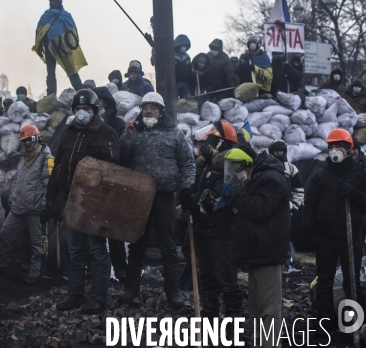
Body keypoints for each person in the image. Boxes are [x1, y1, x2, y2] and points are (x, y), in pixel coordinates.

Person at [46, 89, 120, 314]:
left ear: (95, 110)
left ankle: (98, 297)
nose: (81, 113)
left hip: (94, 202)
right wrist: (52, 191)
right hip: (71, 201)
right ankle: (75, 293)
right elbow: (59, 163)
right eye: (78, 109)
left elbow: (112, 170)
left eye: (86, 109)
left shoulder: (106, 133)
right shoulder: (68, 132)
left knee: (97, 250)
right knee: (75, 249)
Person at [119, 92, 195, 308]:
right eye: (145, 108)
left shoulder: (174, 134)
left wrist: (187, 188)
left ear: (161, 111)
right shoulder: (133, 132)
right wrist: (127, 137)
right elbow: (120, 159)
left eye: (153, 107)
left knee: (169, 246)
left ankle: (173, 292)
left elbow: (187, 162)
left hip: (164, 197)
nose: (149, 111)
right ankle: (131, 289)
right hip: (138, 197)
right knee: (136, 244)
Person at [220, 145, 290, 348]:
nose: (236, 175)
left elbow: (259, 209)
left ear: (248, 165)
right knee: (257, 308)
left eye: (237, 169)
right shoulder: (258, 179)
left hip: (267, 251)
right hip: (257, 252)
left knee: (268, 310)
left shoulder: (270, 179)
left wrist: (235, 196)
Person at [303, 129, 366, 333]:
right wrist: (310, 232)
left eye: (339, 146)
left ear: (348, 150)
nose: (334, 150)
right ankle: (326, 322)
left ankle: (353, 322)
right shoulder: (321, 175)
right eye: (331, 146)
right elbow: (310, 204)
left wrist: (354, 193)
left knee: (352, 280)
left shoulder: (360, 173)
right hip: (327, 237)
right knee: (325, 279)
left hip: (351, 235)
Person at [179, 121, 243, 322]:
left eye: (214, 141)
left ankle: (234, 323)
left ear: (224, 143)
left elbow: (216, 199)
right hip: (202, 229)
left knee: (227, 279)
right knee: (207, 277)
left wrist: (193, 198)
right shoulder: (206, 165)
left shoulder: (232, 166)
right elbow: (197, 191)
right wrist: (189, 195)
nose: (209, 144)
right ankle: (209, 316)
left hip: (221, 231)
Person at [0, 125, 53, 284]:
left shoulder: (46, 159)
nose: (27, 143)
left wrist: (46, 207)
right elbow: (16, 183)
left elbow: (50, 186)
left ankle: (36, 275)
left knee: (39, 245)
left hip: (36, 211)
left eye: (30, 140)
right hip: (18, 209)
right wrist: (11, 202)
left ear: (37, 139)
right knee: (4, 237)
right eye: (24, 141)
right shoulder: (24, 159)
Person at [92, 86, 127, 279]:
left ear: (105, 102)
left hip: (113, 179)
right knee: (91, 226)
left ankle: (120, 268)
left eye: (98, 100)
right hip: (92, 180)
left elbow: (122, 152)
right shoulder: (84, 124)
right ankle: (95, 269)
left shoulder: (117, 124)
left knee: (113, 228)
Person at [34, 0, 84, 95]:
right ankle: (51, 96)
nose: (52, 3)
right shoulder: (46, 16)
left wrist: (71, 46)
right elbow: (39, 32)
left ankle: (81, 92)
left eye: (54, 1)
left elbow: (73, 34)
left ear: (60, 2)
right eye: (51, 1)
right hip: (49, 47)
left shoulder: (66, 16)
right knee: (51, 73)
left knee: (72, 71)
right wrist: (39, 46)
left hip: (64, 48)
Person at [268, 140, 304, 273]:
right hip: (268, 210)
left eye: (281, 151)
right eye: (276, 151)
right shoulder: (266, 167)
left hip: (285, 211)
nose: (278, 153)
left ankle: (285, 267)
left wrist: (294, 206)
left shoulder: (291, 168)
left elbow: (298, 189)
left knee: (285, 238)